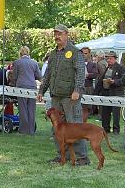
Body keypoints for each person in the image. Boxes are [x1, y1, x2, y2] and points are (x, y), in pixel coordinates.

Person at [37, 24, 90, 165]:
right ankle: (62, 155)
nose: (57, 36)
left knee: (75, 128)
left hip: (70, 98)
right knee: (57, 128)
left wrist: (77, 90)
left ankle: (82, 158)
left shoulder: (75, 52)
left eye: (59, 33)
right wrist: (41, 91)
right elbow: (48, 75)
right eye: (55, 33)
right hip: (56, 97)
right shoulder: (53, 54)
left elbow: (80, 73)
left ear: (67, 34)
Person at [11, 46, 42, 135]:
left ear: (20, 53)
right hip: (32, 87)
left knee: (23, 109)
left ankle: (23, 130)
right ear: (28, 52)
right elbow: (39, 76)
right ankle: (31, 130)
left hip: (21, 87)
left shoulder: (17, 62)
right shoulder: (34, 63)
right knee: (31, 109)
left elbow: (14, 76)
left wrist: (12, 85)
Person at [95, 51, 124, 134]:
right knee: (105, 111)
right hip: (106, 92)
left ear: (115, 59)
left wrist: (114, 81)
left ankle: (116, 129)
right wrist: (96, 92)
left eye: (110, 58)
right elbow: (101, 80)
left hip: (116, 93)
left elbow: (124, 80)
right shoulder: (107, 68)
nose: (108, 60)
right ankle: (106, 128)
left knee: (115, 112)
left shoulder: (120, 68)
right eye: (107, 58)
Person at [81, 46, 99, 120]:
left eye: (85, 53)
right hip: (79, 87)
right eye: (82, 53)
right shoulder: (77, 63)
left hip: (88, 87)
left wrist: (87, 75)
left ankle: (85, 120)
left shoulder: (93, 64)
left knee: (87, 106)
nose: (83, 55)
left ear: (89, 54)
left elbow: (95, 74)